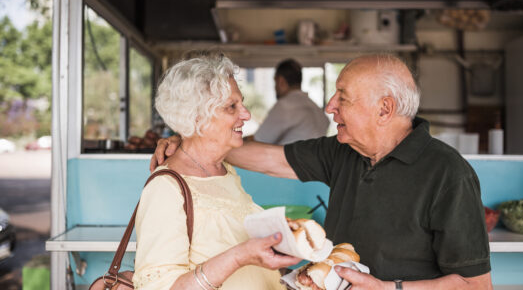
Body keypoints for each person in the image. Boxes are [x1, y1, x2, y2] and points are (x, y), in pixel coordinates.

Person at [151, 54, 492, 289]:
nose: (330, 107)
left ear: (384, 109)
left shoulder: (448, 173)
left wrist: (388, 288)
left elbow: (475, 285)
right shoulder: (344, 151)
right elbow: (271, 158)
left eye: (342, 97)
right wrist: (193, 136)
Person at [134, 53, 300, 290]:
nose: (246, 114)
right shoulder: (166, 188)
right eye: (232, 106)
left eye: (241, 103)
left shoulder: (225, 171)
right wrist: (240, 256)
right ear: (197, 116)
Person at [253, 59, 329, 145]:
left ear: (281, 81)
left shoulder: (285, 106)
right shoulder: (317, 110)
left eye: (275, 82)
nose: (275, 88)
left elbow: (258, 140)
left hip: (289, 158)